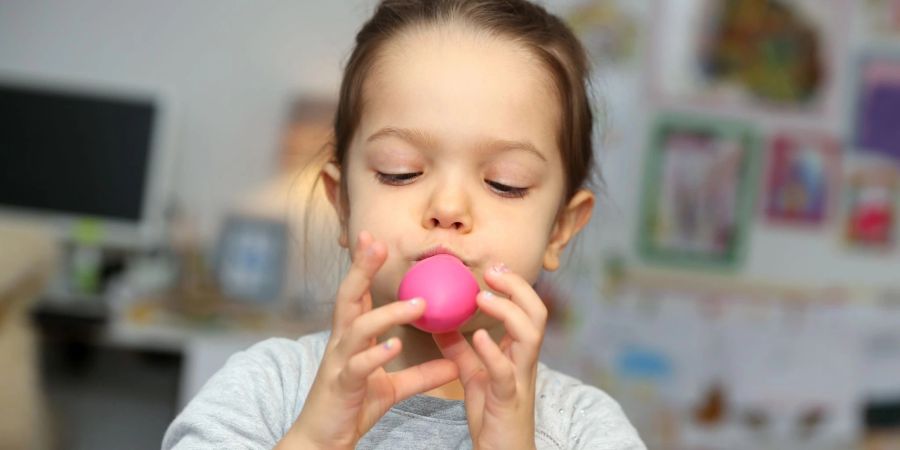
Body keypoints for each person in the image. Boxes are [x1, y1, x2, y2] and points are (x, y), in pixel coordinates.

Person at [163, 0, 645, 448]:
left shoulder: (586, 429)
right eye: (401, 171)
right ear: (344, 204)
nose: (448, 207)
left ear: (560, 228)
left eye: (505, 182)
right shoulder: (267, 387)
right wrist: (312, 441)